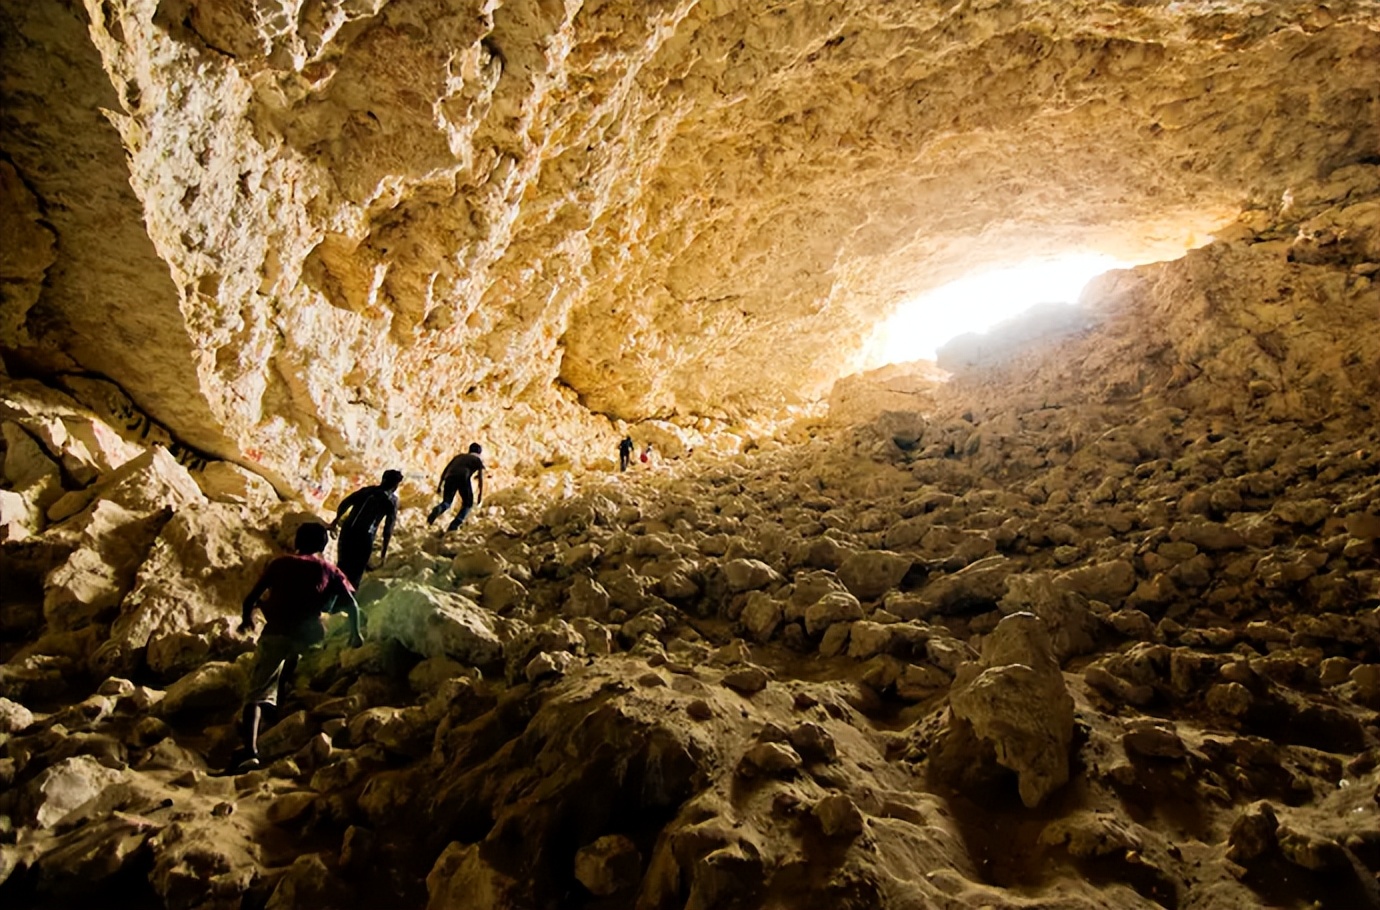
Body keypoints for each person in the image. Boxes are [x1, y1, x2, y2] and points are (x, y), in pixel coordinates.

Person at [229, 522, 361, 772]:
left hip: (277, 632)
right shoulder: (329, 569)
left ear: (297, 541)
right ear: (323, 545)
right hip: (310, 636)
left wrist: (247, 619)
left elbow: (251, 598)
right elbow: (352, 605)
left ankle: (251, 751)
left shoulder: (280, 564)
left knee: (256, 692)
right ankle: (278, 704)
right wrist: (356, 635)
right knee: (290, 660)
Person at [329, 469, 401, 589]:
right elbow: (388, 527)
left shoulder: (367, 490)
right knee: (356, 571)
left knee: (342, 566)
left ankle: (330, 595)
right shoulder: (391, 501)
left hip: (348, 530)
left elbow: (345, 503)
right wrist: (384, 551)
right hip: (364, 536)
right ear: (395, 485)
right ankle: (345, 600)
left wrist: (336, 521)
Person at [428, 442, 485, 532]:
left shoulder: (459, 457)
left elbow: (446, 470)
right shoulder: (477, 459)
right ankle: (454, 525)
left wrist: (440, 485)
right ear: (479, 452)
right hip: (463, 477)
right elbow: (481, 478)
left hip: (449, 477)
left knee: (447, 502)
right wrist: (480, 495)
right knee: (468, 503)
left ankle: (437, 509)